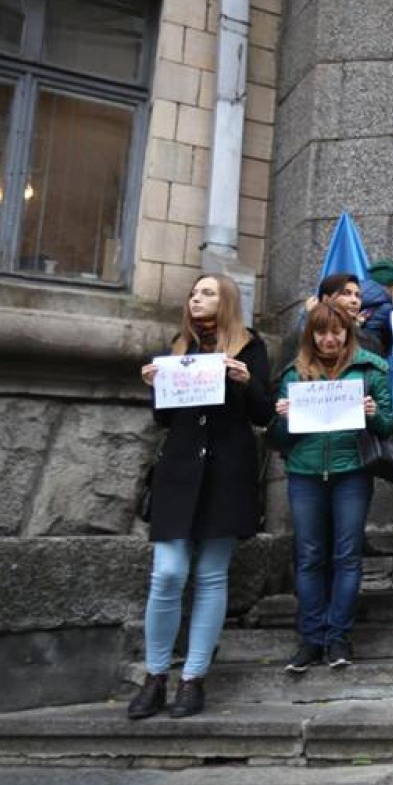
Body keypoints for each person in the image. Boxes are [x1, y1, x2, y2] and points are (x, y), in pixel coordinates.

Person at [129, 274, 273, 719]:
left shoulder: (250, 348)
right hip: (179, 472)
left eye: (207, 293)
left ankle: (192, 679)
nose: (196, 299)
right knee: (167, 574)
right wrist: (155, 385)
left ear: (225, 300)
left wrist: (247, 381)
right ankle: (155, 676)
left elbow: (264, 413)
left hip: (226, 473)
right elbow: (165, 419)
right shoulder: (178, 347)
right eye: (193, 293)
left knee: (211, 576)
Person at [270, 302, 393, 672]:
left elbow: (389, 427)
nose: (329, 339)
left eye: (336, 332)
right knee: (309, 555)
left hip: (351, 470)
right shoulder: (294, 374)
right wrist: (283, 420)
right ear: (310, 336)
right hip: (305, 472)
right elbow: (278, 440)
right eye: (321, 332)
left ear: (347, 333)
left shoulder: (370, 369)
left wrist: (373, 415)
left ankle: (338, 636)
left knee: (347, 555)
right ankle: (311, 637)